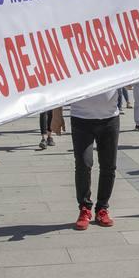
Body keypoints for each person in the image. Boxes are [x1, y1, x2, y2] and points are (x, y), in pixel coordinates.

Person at [53, 88, 120, 229]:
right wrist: (56, 114)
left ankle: (102, 208)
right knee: (84, 163)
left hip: (110, 118)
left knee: (108, 165)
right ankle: (84, 208)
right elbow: (59, 85)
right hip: (81, 118)